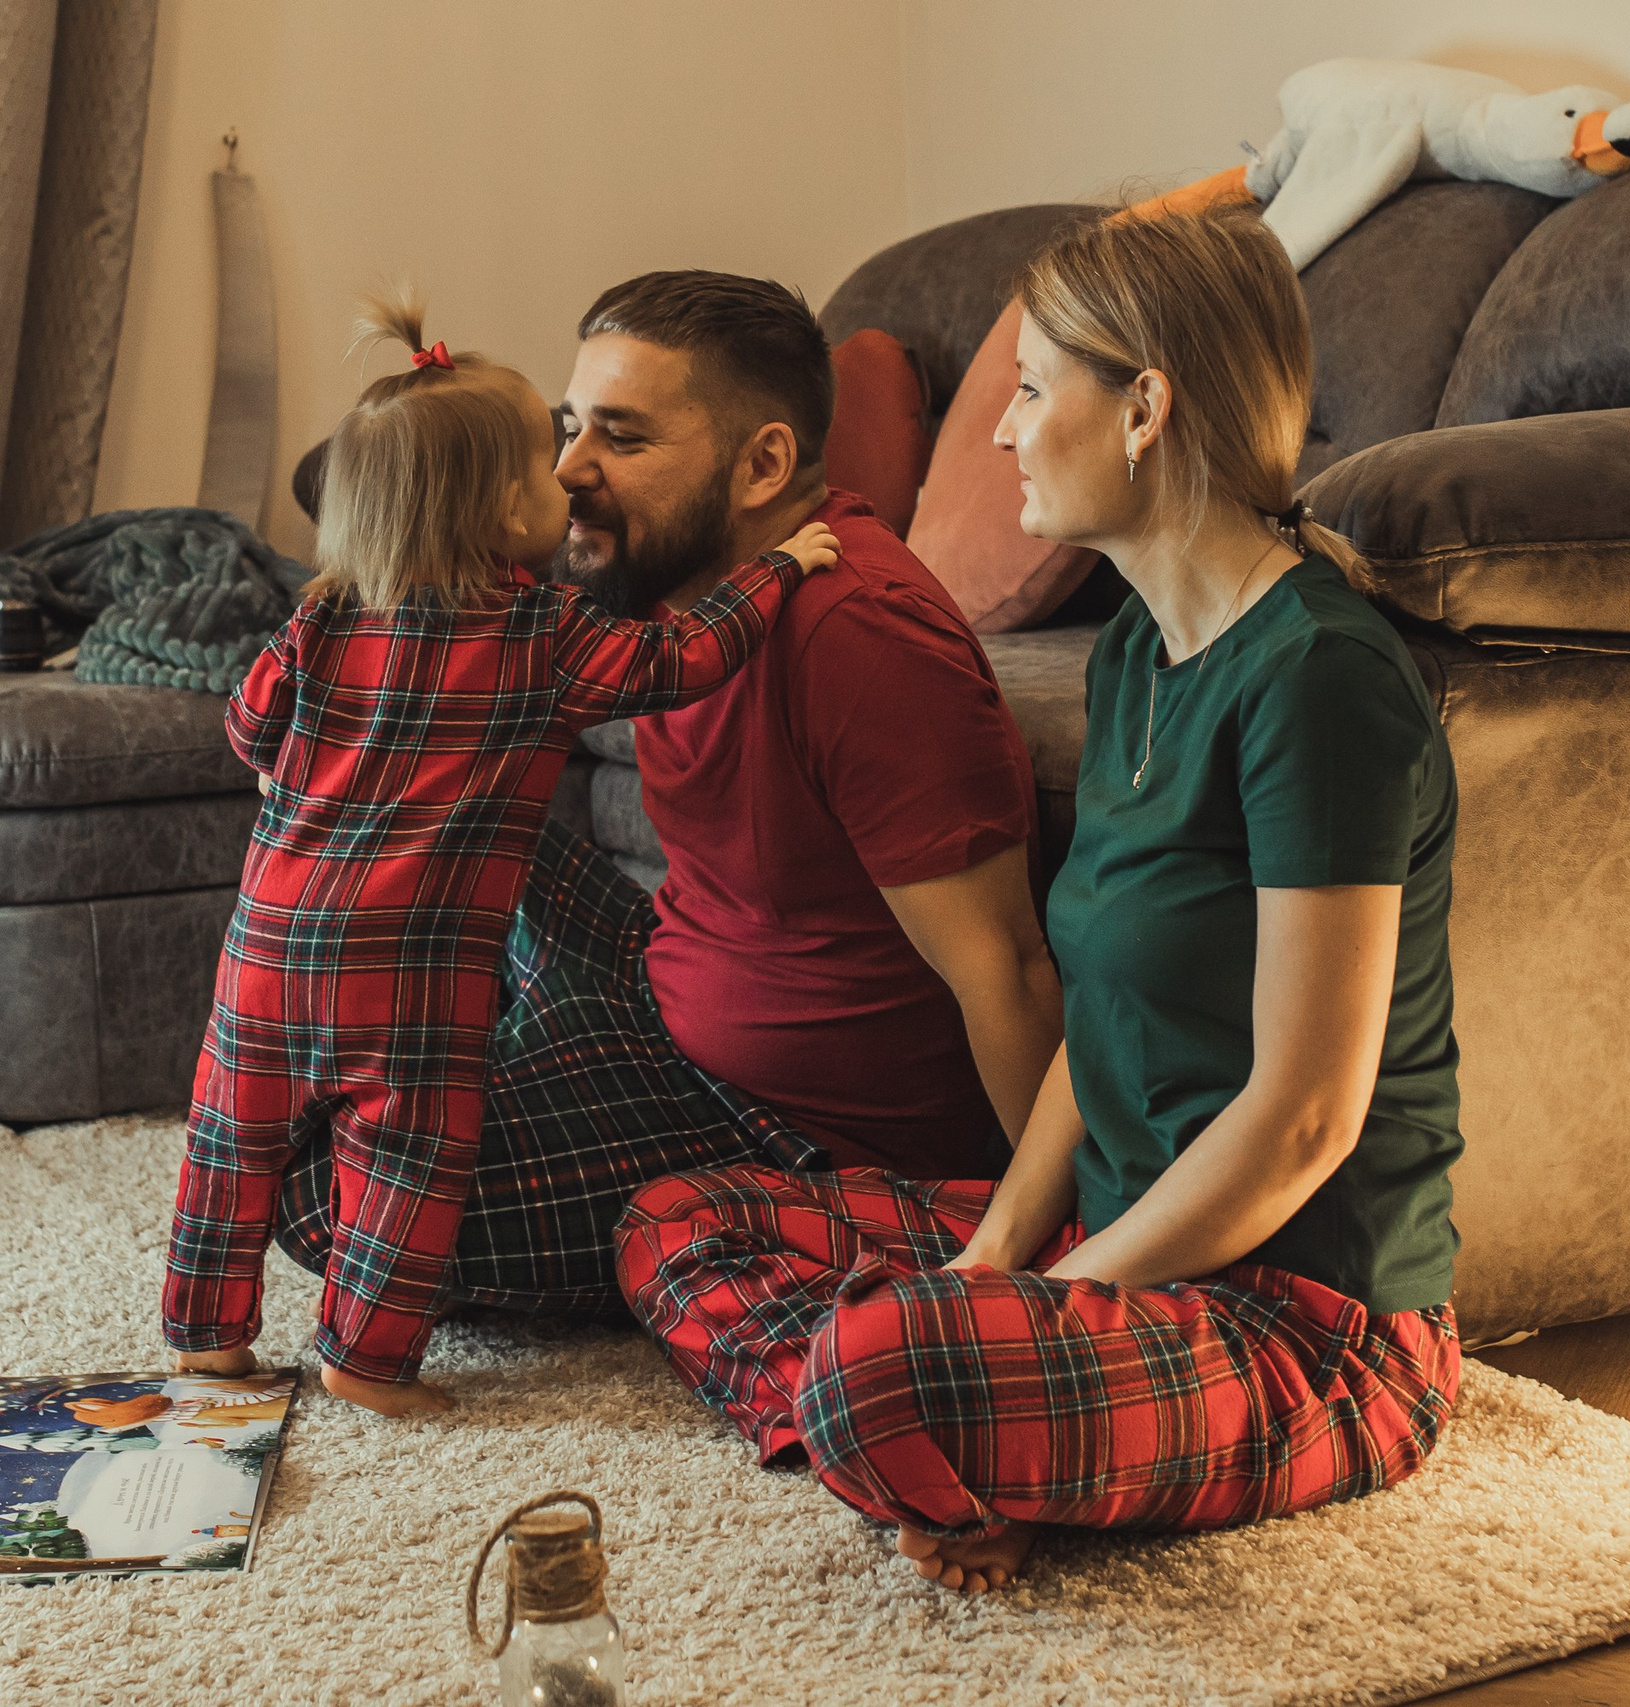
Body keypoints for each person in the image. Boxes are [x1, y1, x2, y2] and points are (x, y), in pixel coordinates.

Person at [618, 207, 1465, 1591]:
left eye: (1026, 388)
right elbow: (1108, 1019)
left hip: (1309, 1322)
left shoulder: (1318, 681)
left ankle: (935, 1426)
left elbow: (1306, 1116)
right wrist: (1001, 1250)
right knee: (675, 1224)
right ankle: (974, 1448)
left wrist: (1037, 1300)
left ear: (1145, 406)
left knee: (871, 1368)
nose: (1002, 433)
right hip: (1121, 1244)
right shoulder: (1139, 648)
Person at [267, 272, 1060, 1316]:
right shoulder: (661, 592)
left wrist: (1046, 1230)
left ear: (762, 464)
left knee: (324, 1199)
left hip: (786, 1124)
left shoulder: (857, 637)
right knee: (423, 834)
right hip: (669, 987)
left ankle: (536, 1076)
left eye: (623, 440)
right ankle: (516, 1057)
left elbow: (1004, 966)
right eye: (569, 426)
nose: (567, 471)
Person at [164, 296, 837, 1415]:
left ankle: (205, 1340)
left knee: (230, 1140)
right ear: (492, 510)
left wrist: (297, 771)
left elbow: (247, 725)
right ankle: (364, 1361)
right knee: (407, 1160)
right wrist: (783, 569)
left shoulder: (324, 618)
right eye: (548, 461)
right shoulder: (540, 635)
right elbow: (684, 657)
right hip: (413, 984)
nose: (572, 477)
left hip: (268, 953)